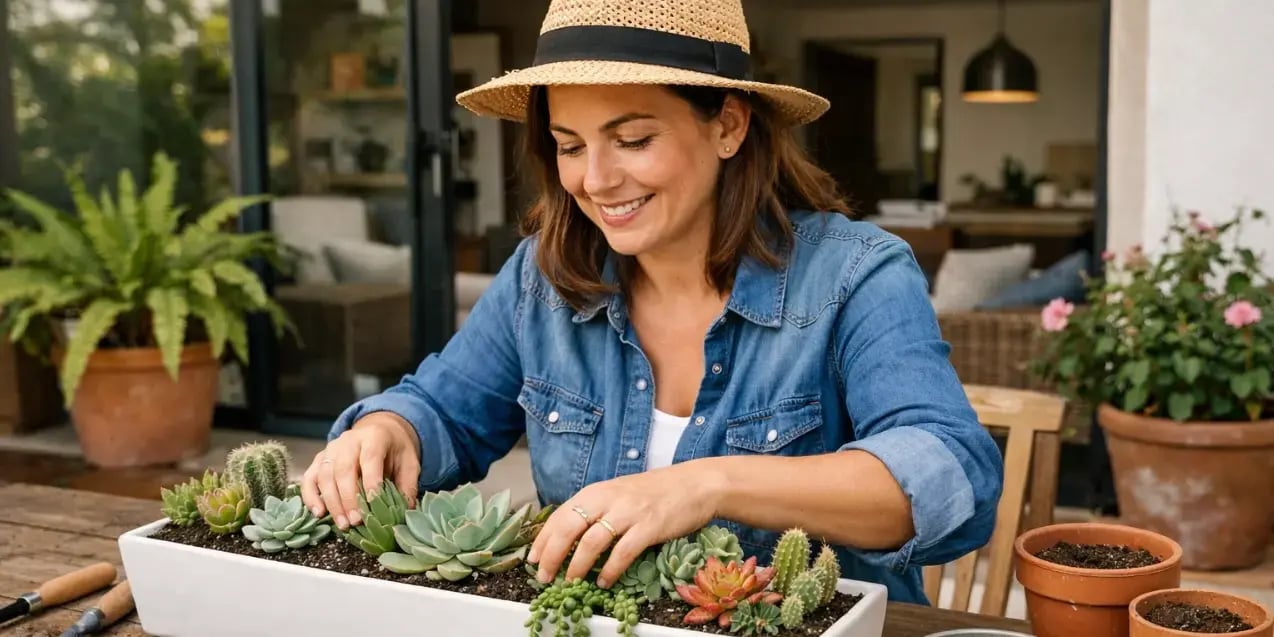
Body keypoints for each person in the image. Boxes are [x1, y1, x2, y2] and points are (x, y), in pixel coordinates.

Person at [299, 0, 1003, 605]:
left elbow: (951, 475)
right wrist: (390, 429)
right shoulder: (541, 278)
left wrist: (705, 485)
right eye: (569, 146)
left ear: (728, 126)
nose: (596, 180)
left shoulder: (856, 275)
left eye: (632, 139)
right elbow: (443, 411)